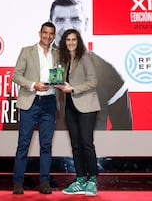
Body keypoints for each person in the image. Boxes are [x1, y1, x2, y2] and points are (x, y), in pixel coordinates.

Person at [49, 0, 133, 130]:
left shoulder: (108, 72)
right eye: (60, 20)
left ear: (86, 23)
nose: (68, 26)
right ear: (51, 25)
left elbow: (124, 131)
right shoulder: (36, 66)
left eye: (75, 19)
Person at [11, 21, 59, 195]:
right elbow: (16, 75)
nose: (48, 36)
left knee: (46, 145)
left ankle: (44, 182)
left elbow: (60, 75)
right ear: (40, 33)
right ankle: (18, 182)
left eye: (51, 33)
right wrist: (33, 85)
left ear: (54, 35)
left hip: (49, 103)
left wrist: (59, 83)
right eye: (45, 33)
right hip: (30, 102)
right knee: (23, 143)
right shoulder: (27, 51)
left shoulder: (58, 54)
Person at [55, 29, 100, 196]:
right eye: (68, 40)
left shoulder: (86, 57)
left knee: (86, 143)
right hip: (70, 107)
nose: (71, 42)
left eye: (74, 39)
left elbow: (93, 81)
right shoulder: (66, 60)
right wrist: (59, 84)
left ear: (78, 41)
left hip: (87, 106)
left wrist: (73, 88)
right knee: (75, 144)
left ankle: (93, 180)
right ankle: (80, 179)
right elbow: (66, 82)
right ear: (64, 42)